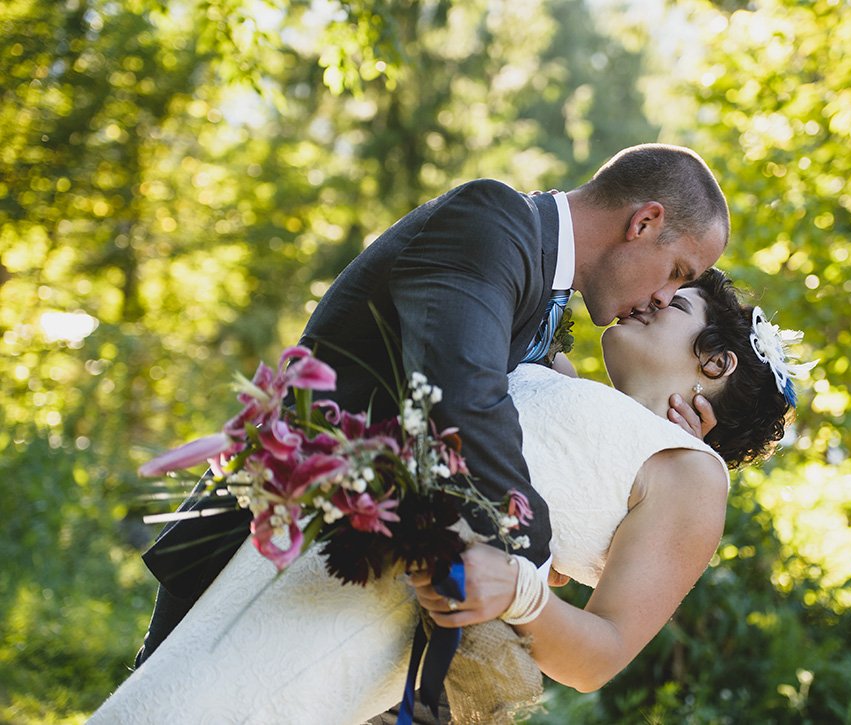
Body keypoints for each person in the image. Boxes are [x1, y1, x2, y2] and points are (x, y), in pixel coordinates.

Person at [87, 268, 814, 723]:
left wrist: (523, 594)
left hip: (374, 603)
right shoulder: (563, 377)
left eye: (676, 298)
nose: (653, 292)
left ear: (715, 360)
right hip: (310, 550)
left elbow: (600, 655)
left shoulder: (692, 473)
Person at [133, 143, 731, 669]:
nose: (664, 295)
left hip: (336, 589)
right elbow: (462, 400)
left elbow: (542, 426)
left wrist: (647, 430)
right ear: (645, 221)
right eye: (677, 271)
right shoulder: (491, 222)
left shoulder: (543, 291)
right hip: (257, 552)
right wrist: (527, 560)